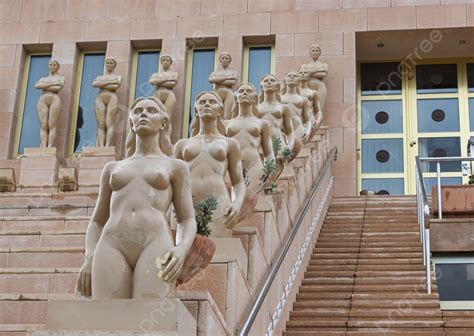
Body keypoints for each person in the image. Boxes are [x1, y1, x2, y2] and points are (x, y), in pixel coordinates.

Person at [76, 97, 196, 299]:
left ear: (163, 122)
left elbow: (186, 219)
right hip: (111, 241)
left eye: (151, 110)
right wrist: (89, 256)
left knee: (150, 313)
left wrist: (182, 249)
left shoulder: (176, 167)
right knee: (105, 317)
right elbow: (97, 220)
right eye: (138, 111)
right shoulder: (113, 168)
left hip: (155, 240)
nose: (143, 114)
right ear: (131, 122)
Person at [174, 91, 246, 238]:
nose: (206, 104)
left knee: (217, 252)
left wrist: (237, 204)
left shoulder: (230, 144)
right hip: (184, 203)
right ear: (196, 110)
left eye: (212, 102)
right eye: (202, 102)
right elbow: (172, 182)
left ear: (220, 110)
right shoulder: (182, 145)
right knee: (183, 254)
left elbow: (238, 182)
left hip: (218, 203)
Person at [225, 83, 275, 192]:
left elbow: (269, 152)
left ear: (255, 98)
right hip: (230, 167)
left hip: (254, 165)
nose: (244, 93)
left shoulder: (262, 124)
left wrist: (269, 171)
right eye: (241, 91)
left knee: (249, 196)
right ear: (236, 98)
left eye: (248, 91)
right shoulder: (226, 124)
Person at [257, 74, 296, 159]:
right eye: (266, 81)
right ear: (261, 87)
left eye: (272, 80)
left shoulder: (284, 108)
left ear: (277, 86)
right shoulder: (256, 108)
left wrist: (289, 147)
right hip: (260, 146)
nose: (269, 82)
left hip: (279, 144)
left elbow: (290, 132)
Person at [92, 57, 122, 147]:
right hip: (100, 97)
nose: (109, 65)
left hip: (112, 97)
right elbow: (95, 84)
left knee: (109, 122)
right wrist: (110, 82)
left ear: (114, 65)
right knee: (101, 123)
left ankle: (107, 145)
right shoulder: (100, 77)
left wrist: (102, 83)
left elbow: (116, 85)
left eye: (111, 63)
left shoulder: (118, 77)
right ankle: (101, 146)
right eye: (107, 63)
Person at [35, 59, 65, 148]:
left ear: (57, 67)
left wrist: (45, 85)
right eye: (50, 65)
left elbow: (58, 88)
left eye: (54, 65)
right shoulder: (43, 78)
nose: (52, 66)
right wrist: (52, 83)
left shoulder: (61, 78)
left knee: (52, 124)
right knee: (43, 124)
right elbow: (37, 86)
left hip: (54, 98)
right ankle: (44, 147)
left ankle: (50, 146)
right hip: (43, 99)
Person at [281, 70, 313, 144]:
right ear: (285, 80)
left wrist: (307, 132)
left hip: (298, 128)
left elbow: (307, 120)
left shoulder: (303, 100)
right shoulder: (280, 99)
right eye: (289, 76)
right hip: (283, 129)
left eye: (294, 76)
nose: (292, 77)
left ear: (298, 81)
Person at [149, 54, 178, 136]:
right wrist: (167, 79)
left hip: (169, 95)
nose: (165, 62)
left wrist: (159, 81)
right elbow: (152, 81)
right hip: (157, 95)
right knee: (155, 117)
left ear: (170, 62)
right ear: (161, 62)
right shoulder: (155, 74)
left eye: (167, 60)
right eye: (163, 60)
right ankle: (155, 139)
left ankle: (166, 139)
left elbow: (172, 83)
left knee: (167, 118)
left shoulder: (174, 73)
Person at [208, 52, 238, 119]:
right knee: (215, 114)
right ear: (220, 60)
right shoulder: (215, 72)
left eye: (226, 58)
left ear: (229, 60)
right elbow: (211, 80)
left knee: (227, 115)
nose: (224, 60)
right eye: (223, 58)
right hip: (217, 93)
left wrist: (218, 80)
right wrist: (226, 77)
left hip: (229, 93)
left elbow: (232, 82)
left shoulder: (233, 72)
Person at [300, 45, 328, 110]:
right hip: (307, 86)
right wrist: (319, 70)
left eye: (317, 51)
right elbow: (303, 74)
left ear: (319, 53)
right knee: (307, 107)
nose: (315, 52)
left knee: (319, 107)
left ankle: (319, 120)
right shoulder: (304, 65)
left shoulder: (324, 64)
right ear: (310, 53)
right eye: (313, 51)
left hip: (320, 86)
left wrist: (309, 72)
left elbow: (323, 74)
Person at [298, 67, 323, 135]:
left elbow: (318, 110)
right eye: (300, 73)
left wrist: (318, 121)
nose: (303, 74)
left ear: (309, 77)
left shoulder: (313, 93)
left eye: (305, 72)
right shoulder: (294, 93)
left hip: (309, 119)